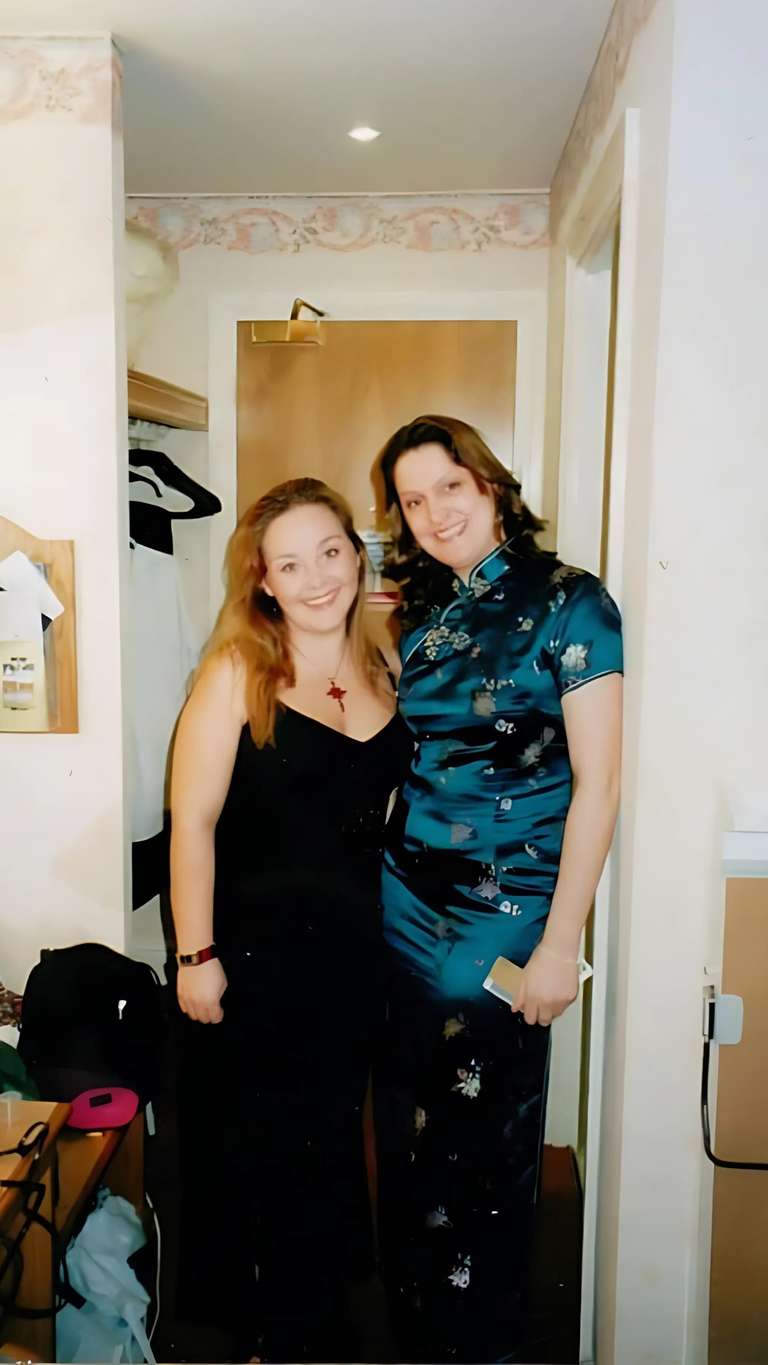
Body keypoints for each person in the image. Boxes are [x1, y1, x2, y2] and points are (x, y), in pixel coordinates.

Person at [370, 415, 623, 1363]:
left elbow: (601, 783)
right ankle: (419, 1335)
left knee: (485, 1138)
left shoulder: (574, 602)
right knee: (408, 1128)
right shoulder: (421, 612)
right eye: (413, 499)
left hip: (506, 911)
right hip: (404, 900)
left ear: (491, 485)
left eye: (451, 486)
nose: (435, 512)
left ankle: (482, 1344)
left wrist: (561, 943)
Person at [169, 478, 412, 1363]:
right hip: (253, 959)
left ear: (357, 554)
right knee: (261, 1155)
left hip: (352, 957)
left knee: (328, 1145)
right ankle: (268, 1335)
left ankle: (315, 1320)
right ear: (264, 580)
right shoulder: (238, 672)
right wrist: (194, 954)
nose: (317, 578)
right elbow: (191, 821)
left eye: (331, 552)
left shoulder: (385, 667)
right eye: (291, 563)